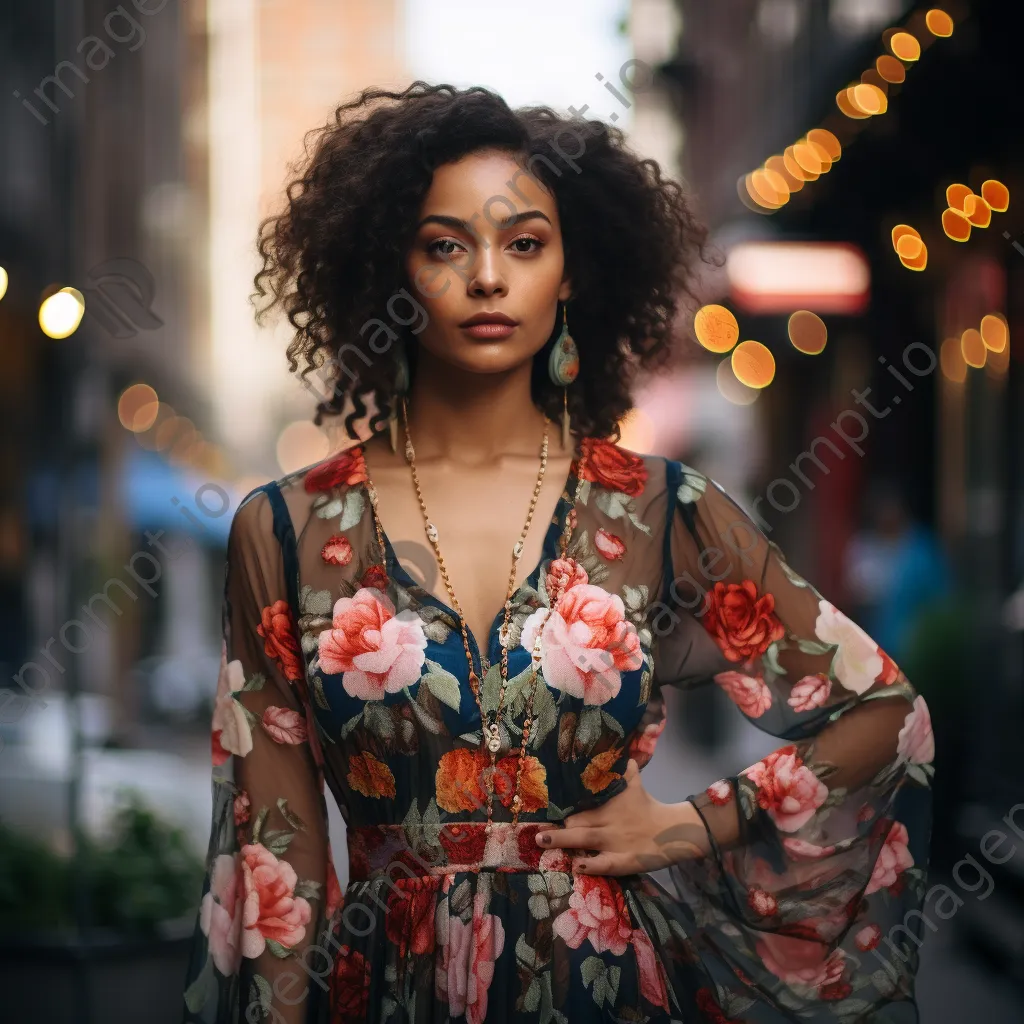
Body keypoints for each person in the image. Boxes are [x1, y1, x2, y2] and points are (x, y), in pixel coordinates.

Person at [181, 83, 934, 1024]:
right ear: (391, 267)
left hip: (610, 988)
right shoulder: (288, 530)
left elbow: (882, 712)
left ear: (572, 273)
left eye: (525, 243)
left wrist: (687, 826)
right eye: (445, 244)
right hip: (385, 994)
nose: (488, 276)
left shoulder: (664, 509)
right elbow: (274, 863)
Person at [844, 478, 951, 663]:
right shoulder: (863, 547)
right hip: (874, 647)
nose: (886, 514)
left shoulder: (921, 548)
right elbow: (854, 596)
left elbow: (941, 598)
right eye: (881, 507)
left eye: (891, 506)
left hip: (920, 650)